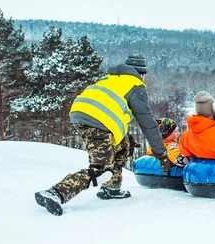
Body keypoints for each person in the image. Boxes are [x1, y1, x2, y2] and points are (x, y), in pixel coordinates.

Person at [35, 54, 171, 216]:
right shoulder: (136, 85)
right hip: (98, 121)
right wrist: (161, 154)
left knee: (124, 144)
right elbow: (147, 123)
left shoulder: (111, 79)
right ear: (142, 74)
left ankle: (111, 188)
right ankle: (56, 193)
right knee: (101, 171)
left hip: (83, 113)